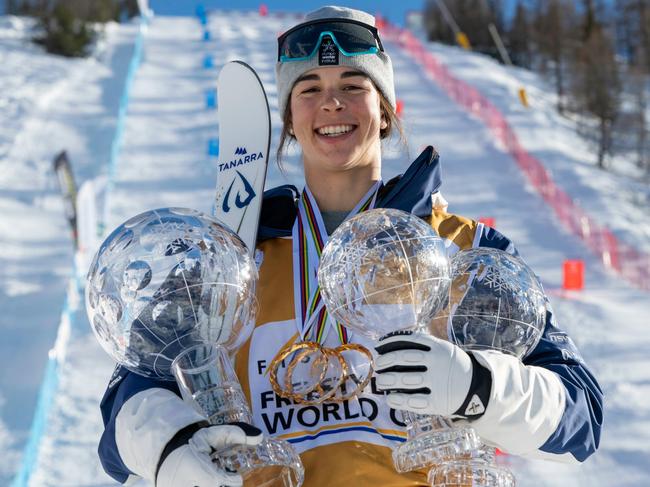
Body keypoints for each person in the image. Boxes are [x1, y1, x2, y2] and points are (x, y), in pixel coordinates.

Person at [98, 6, 603, 486]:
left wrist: (478, 386)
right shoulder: (232, 261)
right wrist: (171, 445)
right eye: (309, 89)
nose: (330, 103)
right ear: (290, 123)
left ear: (385, 112)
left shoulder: (460, 249)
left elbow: (580, 416)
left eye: (353, 85)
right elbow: (130, 390)